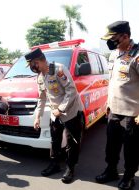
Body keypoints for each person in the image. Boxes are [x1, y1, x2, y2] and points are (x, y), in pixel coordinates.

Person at [25, 48, 84, 184]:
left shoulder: (58, 69)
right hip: (54, 113)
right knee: (55, 141)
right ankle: (55, 164)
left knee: (71, 143)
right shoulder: (40, 76)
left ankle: (70, 168)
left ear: (40, 60)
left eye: (33, 64)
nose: (33, 67)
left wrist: (61, 109)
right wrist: (37, 117)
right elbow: (42, 98)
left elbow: (72, 91)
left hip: (71, 112)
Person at [95, 21, 139, 190]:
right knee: (111, 146)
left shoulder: (136, 55)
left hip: (131, 113)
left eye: (113, 39)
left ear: (125, 36)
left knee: (131, 149)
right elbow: (113, 82)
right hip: (114, 110)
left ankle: (129, 175)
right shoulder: (114, 54)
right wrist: (108, 103)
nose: (110, 42)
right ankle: (111, 170)